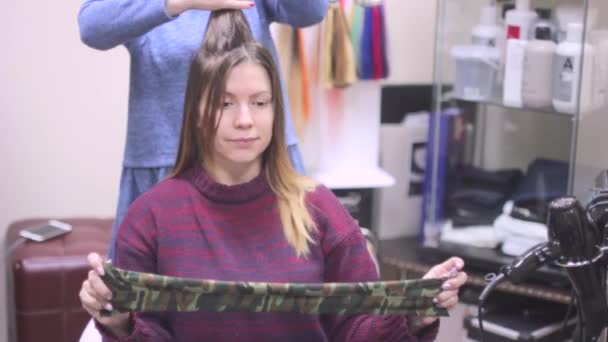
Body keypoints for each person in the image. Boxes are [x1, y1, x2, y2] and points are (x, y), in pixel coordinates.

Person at [79, 9, 467, 341]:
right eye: (224, 103)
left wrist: (413, 315)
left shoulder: (318, 208)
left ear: (276, 109)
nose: (245, 120)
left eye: (260, 103)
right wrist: (120, 323)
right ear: (196, 111)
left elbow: (357, 327)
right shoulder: (151, 218)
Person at [78, 0, 329, 259]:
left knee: (288, 283)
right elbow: (93, 26)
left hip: (261, 162)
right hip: (169, 161)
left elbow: (310, 10)